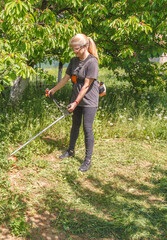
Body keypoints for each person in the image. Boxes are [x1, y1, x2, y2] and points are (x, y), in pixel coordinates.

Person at [48, 33, 99, 172]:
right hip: (76, 98)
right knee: (75, 126)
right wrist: (53, 90)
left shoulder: (92, 62)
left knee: (87, 128)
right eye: (73, 49)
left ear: (85, 46)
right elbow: (65, 79)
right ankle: (71, 151)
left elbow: (87, 85)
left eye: (76, 48)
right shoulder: (74, 60)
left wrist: (75, 102)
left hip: (89, 101)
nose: (74, 51)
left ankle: (87, 160)